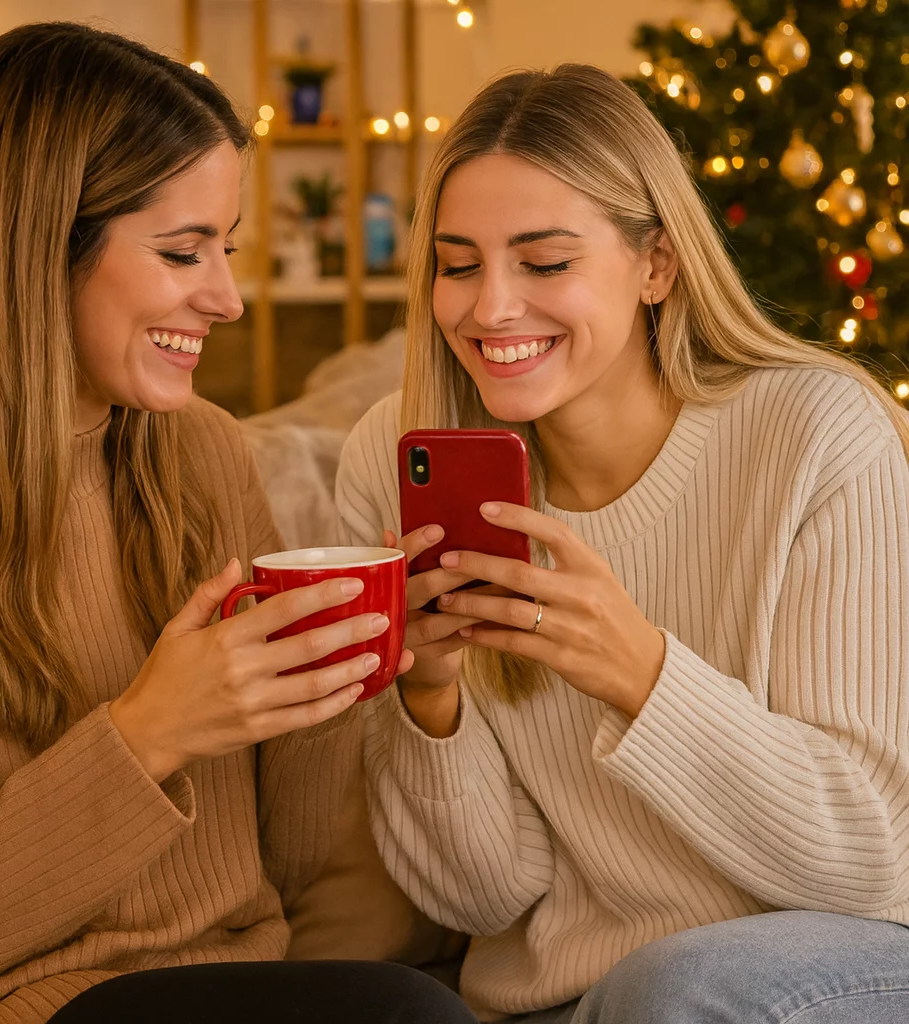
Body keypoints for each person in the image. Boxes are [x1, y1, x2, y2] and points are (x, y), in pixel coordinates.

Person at [0, 22, 479, 1024]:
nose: (225, 297)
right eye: (181, 250)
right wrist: (145, 732)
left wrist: (341, 677)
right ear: (35, 246)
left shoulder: (198, 450)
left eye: (228, 248)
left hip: (243, 981)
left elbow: (276, 868)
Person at [336, 63, 909, 1023]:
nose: (489, 310)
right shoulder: (392, 460)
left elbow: (866, 855)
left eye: (545, 262)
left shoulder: (814, 432)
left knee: (671, 989)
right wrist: (428, 701)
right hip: (574, 1001)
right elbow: (482, 900)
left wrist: (642, 674)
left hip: (827, 962)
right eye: (459, 262)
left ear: (658, 265)